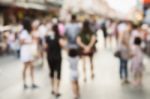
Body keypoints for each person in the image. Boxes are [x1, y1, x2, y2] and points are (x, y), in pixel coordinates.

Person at [45, 23, 64, 98]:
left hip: (50, 57)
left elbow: (45, 47)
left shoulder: (48, 36)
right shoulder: (59, 36)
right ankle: (57, 90)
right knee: (58, 73)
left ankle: (52, 88)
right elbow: (62, 44)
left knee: (52, 72)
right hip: (57, 57)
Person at [20, 17, 38, 89]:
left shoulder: (28, 31)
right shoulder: (24, 32)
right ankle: (25, 82)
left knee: (31, 66)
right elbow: (21, 42)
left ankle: (32, 82)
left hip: (29, 51)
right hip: (25, 51)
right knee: (25, 67)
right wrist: (30, 42)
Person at [65, 15, 80, 99]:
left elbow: (65, 35)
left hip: (70, 47)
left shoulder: (67, 26)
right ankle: (77, 92)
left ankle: (75, 94)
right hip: (76, 47)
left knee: (71, 62)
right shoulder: (78, 26)